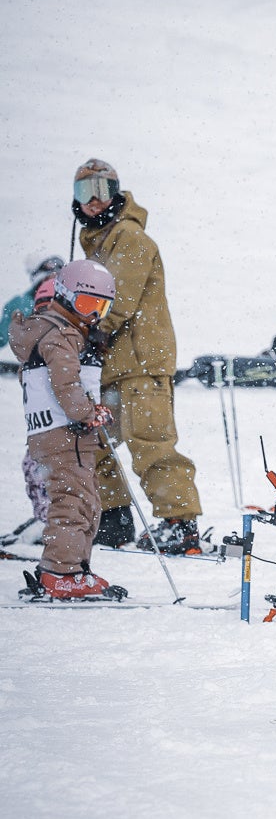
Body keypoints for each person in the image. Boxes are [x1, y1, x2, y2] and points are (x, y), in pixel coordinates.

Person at [72, 159, 204, 554]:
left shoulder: (129, 237)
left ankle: (179, 524)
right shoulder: (100, 240)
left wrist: (86, 330)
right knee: (95, 445)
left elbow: (116, 302)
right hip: (111, 367)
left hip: (141, 365)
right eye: (84, 192)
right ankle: (113, 519)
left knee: (151, 443)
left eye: (103, 189)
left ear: (117, 192)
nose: (94, 200)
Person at [9, 260, 127, 599]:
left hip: (56, 435)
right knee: (73, 503)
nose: (93, 315)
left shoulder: (50, 331)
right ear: (63, 296)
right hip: (65, 434)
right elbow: (66, 383)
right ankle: (60, 572)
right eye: (86, 304)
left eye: (101, 307)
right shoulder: (59, 334)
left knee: (86, 501)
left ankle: (73, 568)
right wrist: (86, 411)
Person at [3, 255, 64, 546]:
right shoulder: (23, 304)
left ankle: (53, 520)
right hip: (40, 392)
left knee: (48, 459)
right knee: (37, 460)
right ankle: (47, 517)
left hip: (60, 392)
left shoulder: (71, 300)